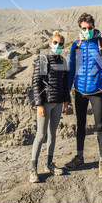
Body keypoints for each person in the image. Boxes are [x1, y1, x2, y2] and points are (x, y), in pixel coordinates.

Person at [65, 13, 102, 178]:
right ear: (80, 28)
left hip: (98, 92)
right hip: (79, 91)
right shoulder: (77, 45)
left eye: (90, 28)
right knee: (80, 126)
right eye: (84, 28)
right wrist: (67, 92)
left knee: (100, 126)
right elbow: (71, 69)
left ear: (94, 27)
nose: (87, 30)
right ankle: (79, 157)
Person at [30, 31, 71, 183]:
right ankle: (33, 169)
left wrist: (67, 101)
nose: (58, 46)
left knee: (52, 133)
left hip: (58, 102)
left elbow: (65, 84)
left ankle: (49, 164)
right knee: (41, 135)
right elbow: (36, 83)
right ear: (50, 44)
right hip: (45, 102)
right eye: (55, 43)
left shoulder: (63, 61)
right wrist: (39, 104)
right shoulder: (42, 59)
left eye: (60, 44)